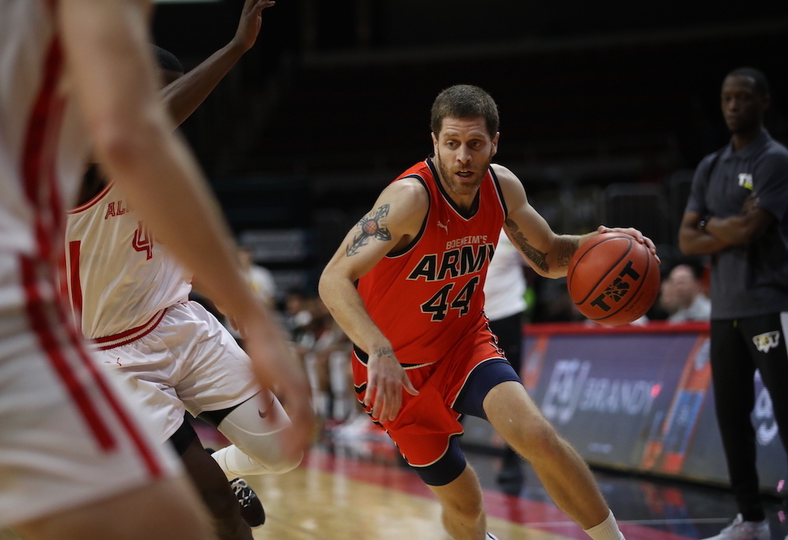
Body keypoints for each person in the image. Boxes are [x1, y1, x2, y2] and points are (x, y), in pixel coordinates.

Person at [0, 1, 312, 539]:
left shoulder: (161, 169)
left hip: (181, 325)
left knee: (283, 452)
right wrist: (235, 50)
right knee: (214, 511)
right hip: (112, 357)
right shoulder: (75, 154)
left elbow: (180, 259)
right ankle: (193, 482)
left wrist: (247, 316)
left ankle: (212, 474)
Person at [319, 84, 657, 540]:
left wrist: (609, 244)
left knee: (536, 436)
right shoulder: (409, 200)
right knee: (466, 506)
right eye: (452, 144)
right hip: (399, 372)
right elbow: (333, 278)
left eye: (475, 144)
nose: (463, 156)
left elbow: (552, 255)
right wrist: (378, 347)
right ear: (434, 142)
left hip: (464, 345)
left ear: (494, 144)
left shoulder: (503, 188)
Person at [679, 67, 788, 540]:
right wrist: (725, 227)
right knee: (731, 414)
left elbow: (752, 229)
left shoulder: (775, 160)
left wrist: (711, 227)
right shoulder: (709, 166)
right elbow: (686, 239)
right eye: (726, 98)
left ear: (764, 101)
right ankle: (750, 519)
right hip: (724, 311)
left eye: (743, 97)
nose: (732, 106)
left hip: (769, 303)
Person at [482, 229, 528, 486]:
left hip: (507, 317)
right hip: (470, 320)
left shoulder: (512, 228)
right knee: (456, 388)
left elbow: (544, 258)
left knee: (512, 394)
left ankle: (512, 458)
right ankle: (442, 450)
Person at [237, 244, 278, 310]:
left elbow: (270, 299)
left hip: (259, 312)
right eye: (241, 255)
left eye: (246, 254)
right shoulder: (234, 275)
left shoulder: (262, 274)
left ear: (251, 256)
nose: (244, 258)